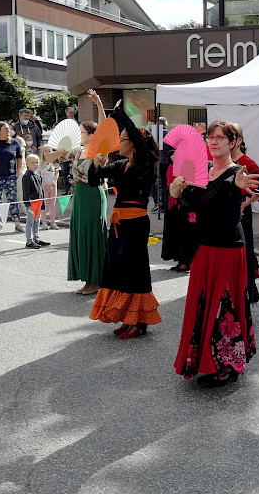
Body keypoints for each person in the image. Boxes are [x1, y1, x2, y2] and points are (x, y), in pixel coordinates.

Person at [171, 120, 259, 386]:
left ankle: (226, 366)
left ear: (233, 142)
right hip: (204, 249)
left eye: (220, 138)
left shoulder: (236, 173)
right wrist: (177, 187)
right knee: (202, 305)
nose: (213, 141)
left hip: (227, 250)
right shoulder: (203, 171)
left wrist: (238, 184)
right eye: (210, 137)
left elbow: (242, 187)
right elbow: (185, 201)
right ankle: (202, 359)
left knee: (224, 309)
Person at [88, 101, 162, 339]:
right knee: (117, 269)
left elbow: (141, 143)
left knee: (135, 271)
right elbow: (93, 181)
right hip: (118, 223)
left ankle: (139, 321)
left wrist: (121, 117)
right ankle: (127, 317)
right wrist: (95, 166)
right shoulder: (120, 165)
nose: (119, 142)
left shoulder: (146, 165)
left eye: (123, 139)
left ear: (134, 144)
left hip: (136, 224)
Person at [50, 90, 107, 295]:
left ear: (92, 135)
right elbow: (53, 158)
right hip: (80, 194)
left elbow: (104, 128)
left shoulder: (98, 150)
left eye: (82, 132)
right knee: (81, 234)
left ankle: (96, 280)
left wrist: (99, 104)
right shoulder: (75, 151)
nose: (79, 135)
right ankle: (87, 279)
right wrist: (47, 152)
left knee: (93, 234)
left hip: (93, 193)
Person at [230, 122, 259, 303]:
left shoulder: (247, 163)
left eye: (228, 137)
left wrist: (245, 203)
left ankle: (245, 291)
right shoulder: (217, 159)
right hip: (220, 217)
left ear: (239, 140)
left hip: (241, 217)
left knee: (242, 252)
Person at [21, 154, 50, 249]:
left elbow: (41, 190)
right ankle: (29, 241)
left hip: (38, 202)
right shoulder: (27, 176)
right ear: (27, 164)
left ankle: (36, 238)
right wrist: (28, 203)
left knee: (36, 222)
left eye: (37, 162)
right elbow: (26, 191)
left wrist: (42, 203)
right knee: (30, 222)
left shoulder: (37, 175)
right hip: (31, 203)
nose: (35, 164)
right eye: (33, 162)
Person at [40, 147, 60, 230]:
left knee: (52, 204)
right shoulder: (40, 163)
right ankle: (44, 222)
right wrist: (45, 184)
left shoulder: (55, 163)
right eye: (45, 151)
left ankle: (53, 222)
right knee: (44, 204)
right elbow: (38, 173)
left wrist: (52, 183)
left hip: (53, 186)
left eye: (49, 151)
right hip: (43, 186)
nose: (47, 153)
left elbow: (57, 173)